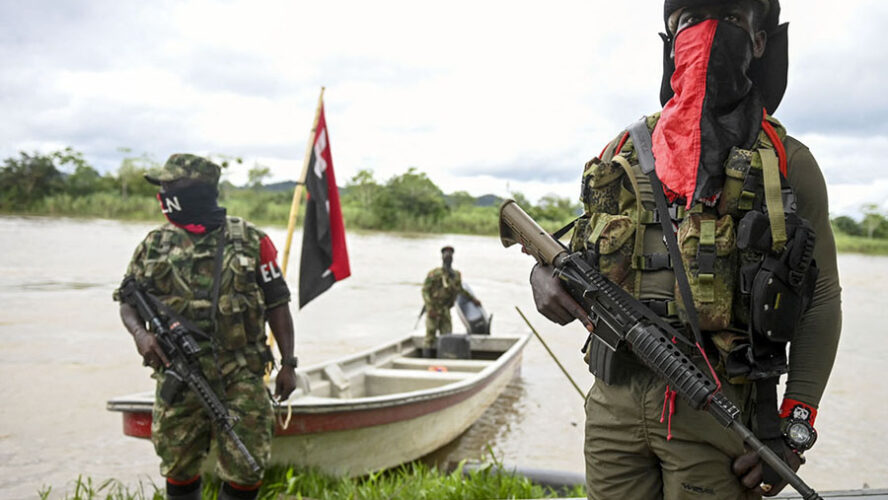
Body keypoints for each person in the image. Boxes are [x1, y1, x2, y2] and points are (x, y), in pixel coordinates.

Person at [529, 1, 841, 498]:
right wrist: (541, 279)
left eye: (731, 19)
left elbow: (821, 298)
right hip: (614, 404)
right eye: (690, 21)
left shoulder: (788, 163)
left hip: (720, 410)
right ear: (671, 42)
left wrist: (794, 428)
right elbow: (575, 254)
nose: (706, 35)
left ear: (759, 42)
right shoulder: (622, 153)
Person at [114, 154, 298, 500]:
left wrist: (288, 363)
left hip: (240, 374)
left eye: (170, 185)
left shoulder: (252, 240)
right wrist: (141, 336)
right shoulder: (154, 244)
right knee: (177, 464)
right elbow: (127, 300)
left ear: (196, 190)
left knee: (248, 468)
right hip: (178, 375)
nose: (163, 192)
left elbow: (278, 303)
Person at [421, 245, 481, 356]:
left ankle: (445, 360)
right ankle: (426, 361)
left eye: (450, 254)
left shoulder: (456, 275)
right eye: (445, 254)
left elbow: (460, 290)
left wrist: (473, 299)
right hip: (433, 309)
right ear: (442, 257)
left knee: (447, 336)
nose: (448, 257)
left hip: (445, 309)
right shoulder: (434, 274)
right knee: (430, 336)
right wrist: (429, 308)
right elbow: (425, 291)